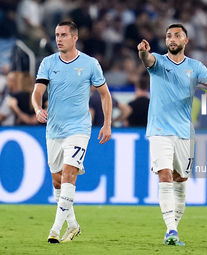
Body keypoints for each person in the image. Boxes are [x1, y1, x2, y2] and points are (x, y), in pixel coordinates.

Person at [137, 23, 207, 246]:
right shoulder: (158, 62)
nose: (172, 39)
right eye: (168, 36)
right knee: (164, 175)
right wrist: (142, 52)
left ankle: (173, 227)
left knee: (181, 180)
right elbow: (148, 60)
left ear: (186, 41)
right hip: (159, 131)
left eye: (177, 35)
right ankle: (171, 231)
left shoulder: (195, 67)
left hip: (185, 132)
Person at [32, 21, 112, 243]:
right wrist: (38, 109)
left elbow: (105, 94)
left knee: (69, 174)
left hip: (79, 129)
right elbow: (37, 91)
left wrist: (107, 123)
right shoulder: (48, 63)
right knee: (57, 181)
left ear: (74, 37)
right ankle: (73, 225)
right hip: (54, 129)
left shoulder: (90, 64)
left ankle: (55, 231)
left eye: (63, 35)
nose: (59, 39)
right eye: (57, 35)